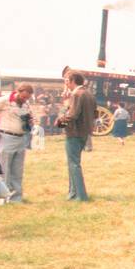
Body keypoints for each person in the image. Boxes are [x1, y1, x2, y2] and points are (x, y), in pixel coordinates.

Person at [57, 72, 97, 201]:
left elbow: (73, 115)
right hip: (84, 133)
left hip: (74, 132)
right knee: (74, 163)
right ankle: (73, 193)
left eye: (67, 80)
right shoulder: (89, 93)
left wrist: (60, 120)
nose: (66, 83)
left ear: (73, 80)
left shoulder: (76, 94)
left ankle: (80, 195)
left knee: (73, 164)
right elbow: (95, 114)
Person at [0, 83, 33, 203]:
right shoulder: (4, 101)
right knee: (4, 169)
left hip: (21, 137)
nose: (25, 100)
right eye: (23, 97)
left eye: (27, 98)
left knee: (17, 170)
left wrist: (29, 121)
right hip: (6, 137)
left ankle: (16, 198)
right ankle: (1, 197)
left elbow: (29, 117)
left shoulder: (26, 104)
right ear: (18, 92)